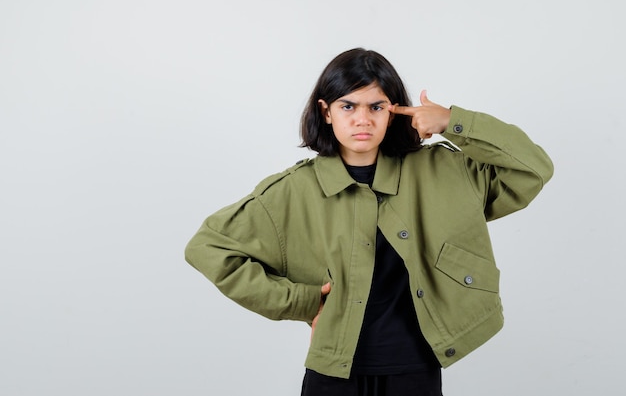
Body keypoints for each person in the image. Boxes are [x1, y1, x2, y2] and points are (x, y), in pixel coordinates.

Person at [185, 48, 554, 396]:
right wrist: (301, 302)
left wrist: (452, 121)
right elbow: (209, 247)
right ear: (326, 112)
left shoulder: (443, 170)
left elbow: (532, 169)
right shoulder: (294, 190)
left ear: (393, 111)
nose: (363, 119)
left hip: (416, 368)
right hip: (333, 375)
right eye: (348, 106)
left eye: (377, 106)